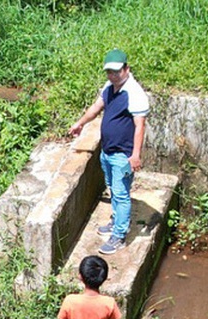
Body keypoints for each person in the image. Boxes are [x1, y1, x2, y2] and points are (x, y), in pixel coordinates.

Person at [68, 48, 150, 255]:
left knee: (121, 193)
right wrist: (80, 123)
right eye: (109, 72)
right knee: (113, 188)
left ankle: (120, 236)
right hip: (107, 150)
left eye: (116, 71)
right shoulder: (109, 87)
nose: (113, 75)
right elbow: (96, 108)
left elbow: (140, 126)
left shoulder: (134, 93)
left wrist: (135, 155)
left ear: (126, 69)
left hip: (123, 154)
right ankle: (116, 222)